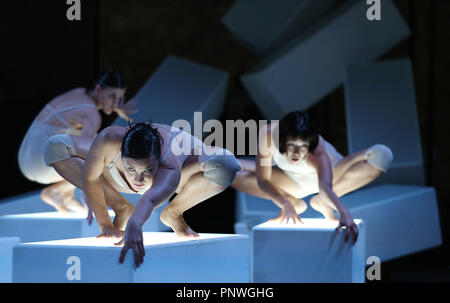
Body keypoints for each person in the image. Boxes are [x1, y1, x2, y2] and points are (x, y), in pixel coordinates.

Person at [78, 121, 242, 267]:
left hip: (188, 174)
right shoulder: (108, 138)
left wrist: (135, 223)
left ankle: (173, 212)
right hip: (119, 171)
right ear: (122, 157)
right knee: (58, 146)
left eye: (147, 169)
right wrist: (105, 225)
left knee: (226, 164)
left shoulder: (169, 164)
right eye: (131, 169)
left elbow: (149, 200)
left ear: (158, 161)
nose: (139, 178)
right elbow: (90, 178)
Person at [231, 111, 394, 244]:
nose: (296, 153)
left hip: (333, 175)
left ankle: (322, 202)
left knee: (383, 154)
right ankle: (294, 203)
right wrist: (285, 203)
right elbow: (263, 179)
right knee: (229, 172)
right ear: (282, 141)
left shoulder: (317, 150)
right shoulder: (268, 135)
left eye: (303, 147)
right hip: (292, 184)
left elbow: (324, 186)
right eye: (291, 146)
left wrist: (343, 211)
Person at [18, 70, 137, 213]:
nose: (116, 103)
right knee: (99, 146)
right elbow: (87, 157)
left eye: (120, 98)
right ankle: (58, 191)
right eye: (112, 96)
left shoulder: (79, 93)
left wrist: (113, 105)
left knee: (83, 139)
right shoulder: (92, 114)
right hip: (39, 163)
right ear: (98, 89)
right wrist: (90, 194)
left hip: (26, 157)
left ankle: (65, 195)